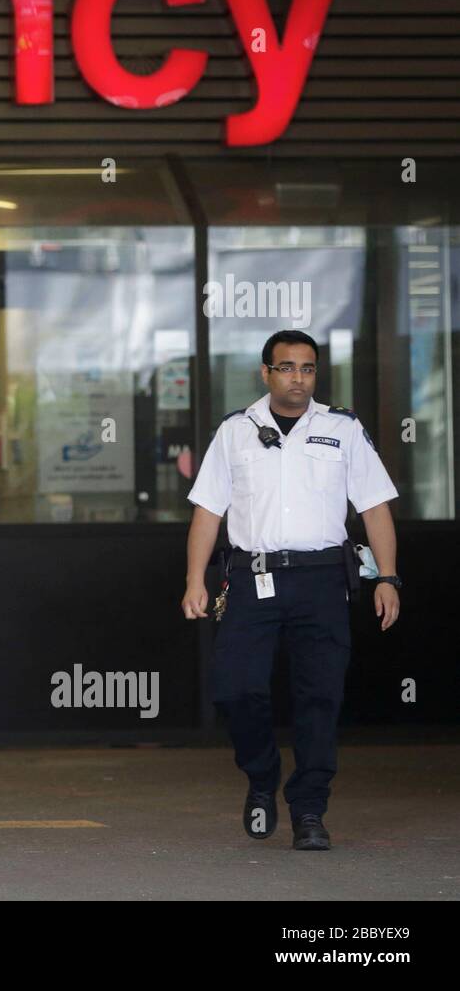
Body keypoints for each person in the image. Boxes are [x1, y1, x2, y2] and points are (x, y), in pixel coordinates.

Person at [182, 330, 401, 850]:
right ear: (266, 373)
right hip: (252, 579)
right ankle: (262, 778)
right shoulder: (236, 430)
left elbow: (374, 507)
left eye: (307, 368)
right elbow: (208, 510)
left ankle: (308, 810)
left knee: (319, 697)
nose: (297, 378)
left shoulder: (342, 429)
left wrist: (388, 577)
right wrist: (195, 578)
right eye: (286, 368)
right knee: (236, 689)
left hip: (322, 581)